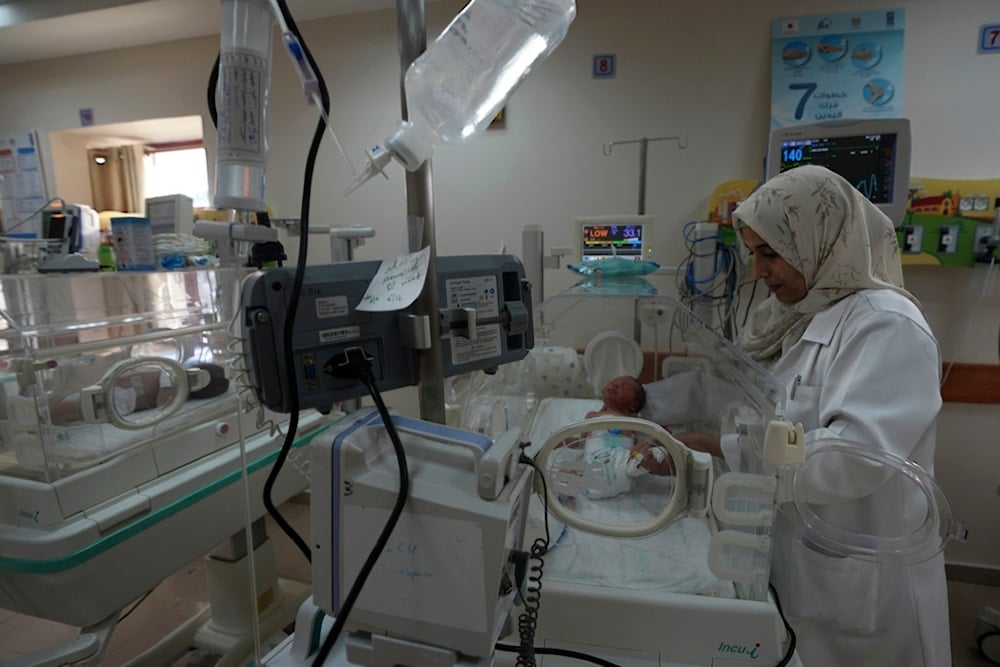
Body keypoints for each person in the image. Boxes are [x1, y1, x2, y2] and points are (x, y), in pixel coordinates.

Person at [677, 164, 949, 666]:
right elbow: (749, 397)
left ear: (819, 240)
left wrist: (726, 449)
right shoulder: (801, 315)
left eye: (770, 253)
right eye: (753, 254)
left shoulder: (885, 325)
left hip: (862, 581)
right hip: (801, 562)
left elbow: (854, 460)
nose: (758, 272)